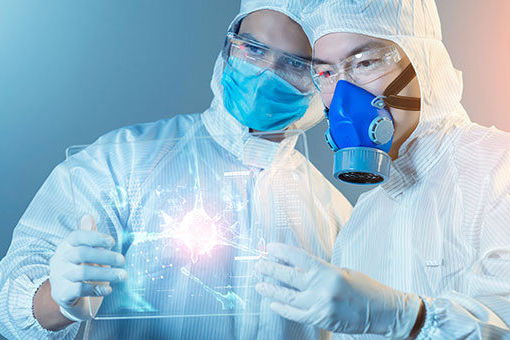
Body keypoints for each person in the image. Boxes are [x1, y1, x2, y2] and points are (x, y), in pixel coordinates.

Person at [0, 1, 352, 339]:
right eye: (254, 50)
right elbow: (9, 303)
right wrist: (58, 301)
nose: (266, 74)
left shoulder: (336, 217)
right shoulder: (121, 163)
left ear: (322, 79)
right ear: (229, 48)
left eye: (294, 64)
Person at [255, 1, 510, 339]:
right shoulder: (360, 223)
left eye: (365, 62)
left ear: (422, 62)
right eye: (327, 73)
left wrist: (408, 319)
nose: (344, 100)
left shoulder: (498, 169)